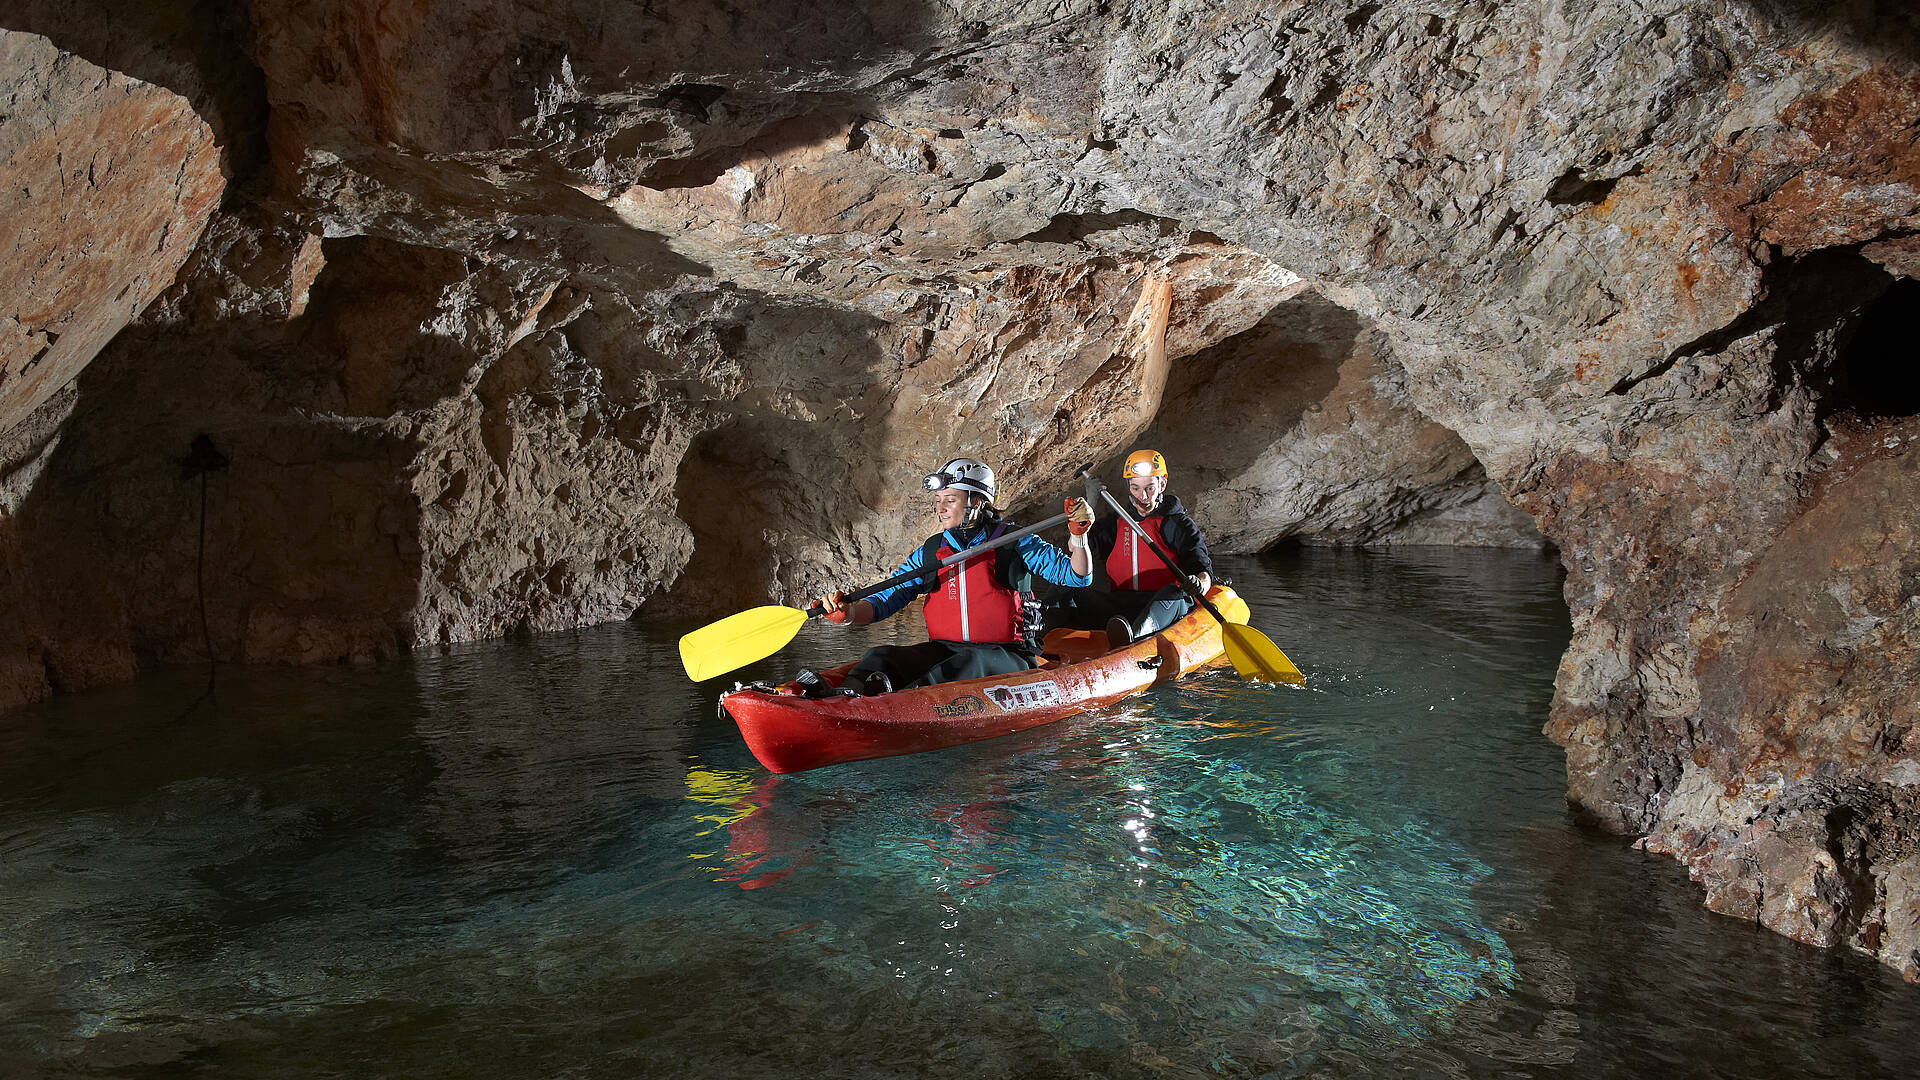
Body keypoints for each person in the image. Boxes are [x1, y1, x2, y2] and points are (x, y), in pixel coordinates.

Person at [798, 458, 1094, 697]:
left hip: (1007, 654)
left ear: (977, 501)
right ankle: (846, 694)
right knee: (880, 655)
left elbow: (1077, 577)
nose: (940, 508)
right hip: (946, 649)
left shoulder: (1014, 542)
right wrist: (848, 613)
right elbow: (885, 600)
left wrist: (1078, 539)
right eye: (938, 499)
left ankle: (898, 702)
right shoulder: (931, 552)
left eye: (950, 500)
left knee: (967, 663)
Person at [1049, 449, 1214, 646]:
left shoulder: (1177, 525)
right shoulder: (1116, 523)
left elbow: (1202, 568)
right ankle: (1039, 632)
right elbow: (1075, 547)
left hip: (1164, 606)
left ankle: (1133, 641)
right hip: (1122, 606)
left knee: (1172, 592)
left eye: (1150, 488)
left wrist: (1199, 583)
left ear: (1162, 484)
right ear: (1128, 487)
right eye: (1135, 488)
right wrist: (1089, 504)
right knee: (1067, 588)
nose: (1142, 496)